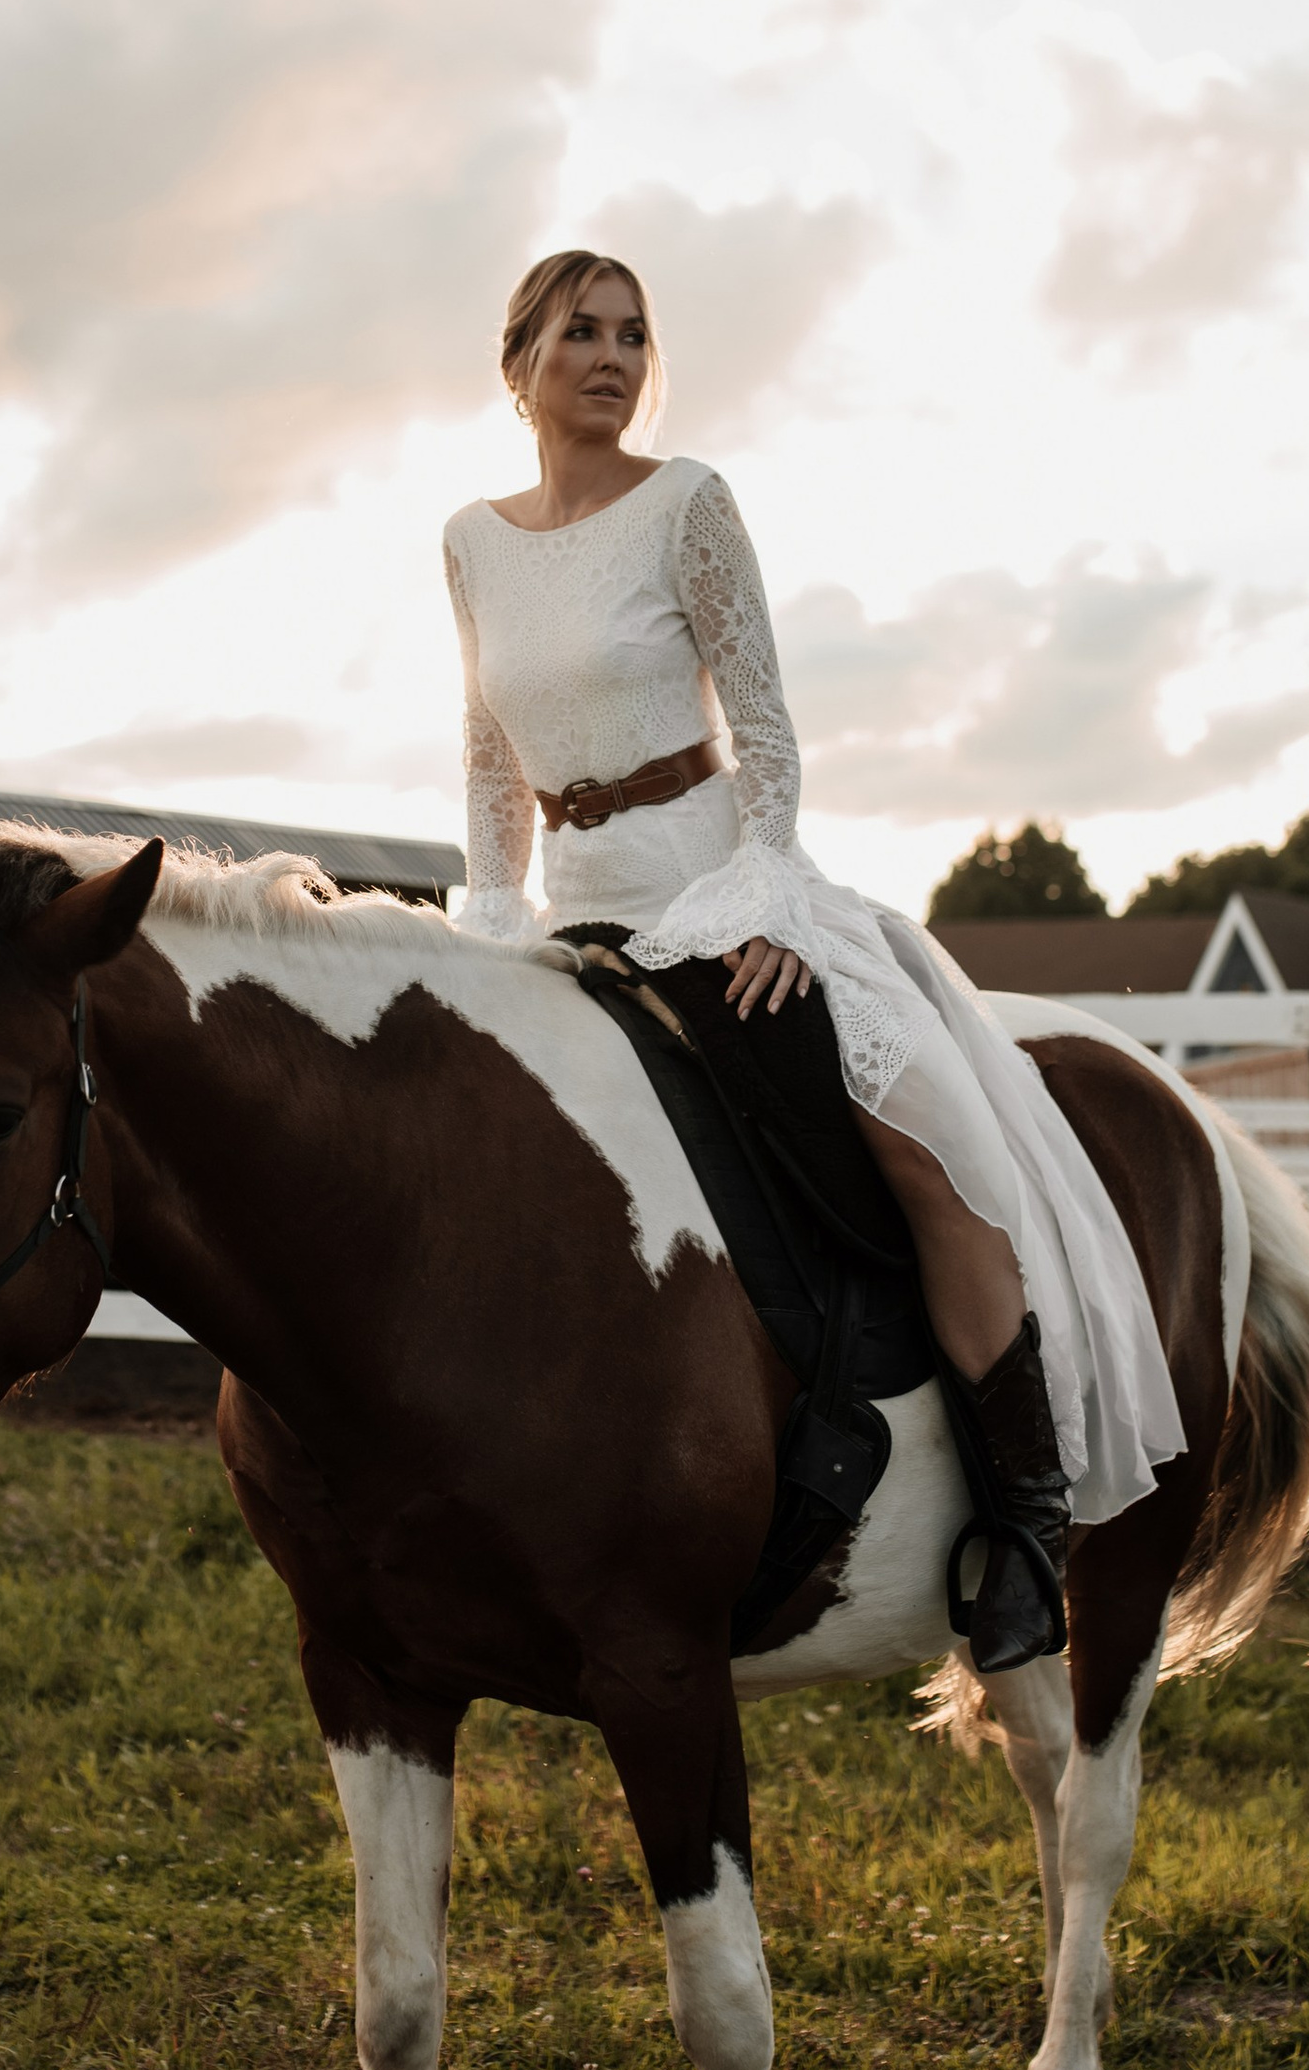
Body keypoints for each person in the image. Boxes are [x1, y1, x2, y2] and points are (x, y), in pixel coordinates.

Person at [444, 249, 1184, 1671]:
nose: (612, 358)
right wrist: (489, 917)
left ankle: (1025, 1518)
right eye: (581, 332)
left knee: (927, 1150)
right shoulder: (471, 543)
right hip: (573, 920)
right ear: (519, 360)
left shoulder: (689, 502)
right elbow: (489, 757)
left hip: (720, 890)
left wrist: (764, 897)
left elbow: (766, 727)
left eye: (633, 335)